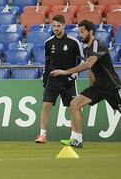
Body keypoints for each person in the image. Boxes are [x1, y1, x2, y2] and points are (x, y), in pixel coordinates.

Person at [51, 20, 121, 148]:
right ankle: (76, 139)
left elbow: (89, 64)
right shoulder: (86, 48)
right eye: (79, 32)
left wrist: (66, 71)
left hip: (112, 86)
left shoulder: (97, 45)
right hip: (98, 87)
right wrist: (91, 88)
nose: (81, 35)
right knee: (74, 104)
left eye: (83, 32)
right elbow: (92, 70)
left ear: (91, 32)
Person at [35, 15, 84, 144]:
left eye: (58, 26)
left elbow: (82, 60)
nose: (56, 28)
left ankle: (74, 137)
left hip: (68, 81)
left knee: (73, 108)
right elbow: (47, 62)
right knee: (46, 106)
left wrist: (75, 74)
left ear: (63, 25)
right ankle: (42, 135)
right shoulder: (48, 42)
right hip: (53, 80)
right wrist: (45, 78)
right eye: (54, 26)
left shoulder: (74, 42)